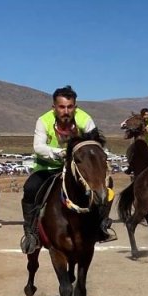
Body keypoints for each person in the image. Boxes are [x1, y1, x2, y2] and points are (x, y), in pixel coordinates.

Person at [20, 85, 113, 255]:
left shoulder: (85, 119)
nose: (66, 111)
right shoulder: (43, 120)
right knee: (30, 188)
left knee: (106, 184)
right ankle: (31, 233)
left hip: (77, 168)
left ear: (75, 107)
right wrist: (59, 153)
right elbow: (38, 147)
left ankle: (101, 224)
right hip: (48, 167)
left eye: (70, 107)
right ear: (54, 107)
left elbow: (95, 143)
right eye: (61, 107)